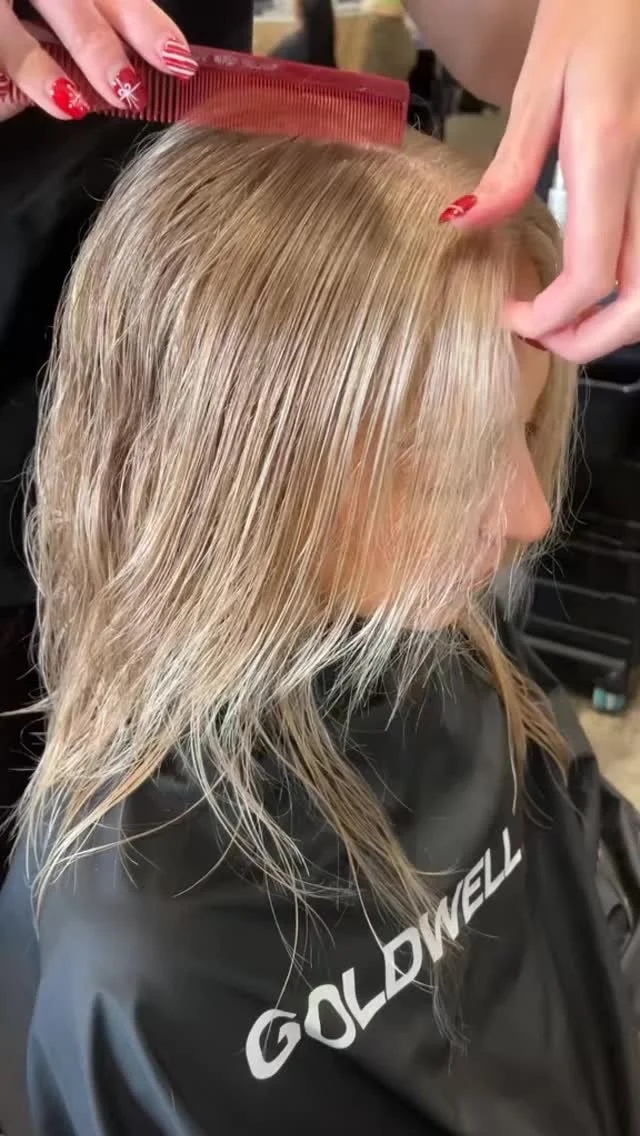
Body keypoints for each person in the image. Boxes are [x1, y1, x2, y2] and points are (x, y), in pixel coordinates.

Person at [1, 120, 639, 1135]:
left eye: (523, 433)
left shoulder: (452, 652)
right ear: (239, 472)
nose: (529, 515)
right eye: (450, 461)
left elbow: (598, 909)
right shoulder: (147, 956)